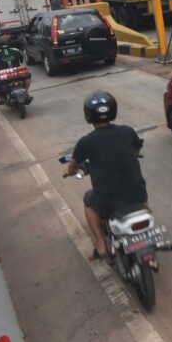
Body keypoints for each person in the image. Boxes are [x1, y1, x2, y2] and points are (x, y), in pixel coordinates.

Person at [64, 91, 147, 261]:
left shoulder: (85, 142)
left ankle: (101, 244)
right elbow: (137, 148)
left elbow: (73, 165)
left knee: (88, 200)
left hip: (108, 199)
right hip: (137, 193)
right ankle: (144, 219)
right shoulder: (127, 131)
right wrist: (132, 154)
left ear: (88, 116)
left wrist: (69, 171)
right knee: (139, 188)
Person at [0, 35, 25, 101]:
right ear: (9, 42)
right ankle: (25, 91)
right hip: (18, 73)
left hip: (4, 76)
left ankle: (2, 98)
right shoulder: (16, 50)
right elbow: (21, 59)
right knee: (28, 77)